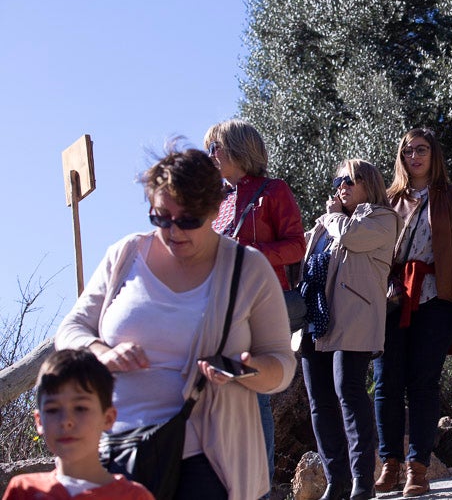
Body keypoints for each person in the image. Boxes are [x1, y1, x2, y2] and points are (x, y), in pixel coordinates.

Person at [55, 146, 296, 500]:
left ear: (215, 210)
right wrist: (99, 352)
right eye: (161, 218)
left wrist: (248, 370)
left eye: (187, 220)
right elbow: (70, 330)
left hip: (208, 460)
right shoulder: (125, 255)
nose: (174, 232)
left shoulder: (248, 269)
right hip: (118, 451)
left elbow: (282, 366)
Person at [374, 128, 452, 497]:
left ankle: (418, 468)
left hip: (438, 298)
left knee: (423, 382)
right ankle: (389, 463)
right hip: (391, 298)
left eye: (421, 150)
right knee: (387, 383)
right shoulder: (387, 199)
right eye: (407, 151)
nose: (414, 157)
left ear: (434, 155)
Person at [203, 119, 306, 488]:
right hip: (222, 310)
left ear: (237, 149)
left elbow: (297, 245)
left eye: (215, 148)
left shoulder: (273, 190)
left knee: (253, 392)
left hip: (263, 302)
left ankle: (257, 489)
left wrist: (251, 252)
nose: (210, 156)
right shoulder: (219, 200)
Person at [298, 160, 401, 500]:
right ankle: (336, 481)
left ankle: (362, 481)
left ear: (368, 183)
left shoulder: (383, 218)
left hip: (355, 318)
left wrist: (330, 217)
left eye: (350, 179)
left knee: (349, 390)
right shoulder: (324, 225)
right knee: (320, 402)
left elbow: (353, 238)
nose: (342, 185)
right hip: (315, 321)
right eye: (338, 180)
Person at [3, 349, 155, 500]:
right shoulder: (24, 491)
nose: (65, 421)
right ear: (39, 421)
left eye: (80, 408)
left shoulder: (133, 496)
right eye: (53, 410)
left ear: (108, 418)